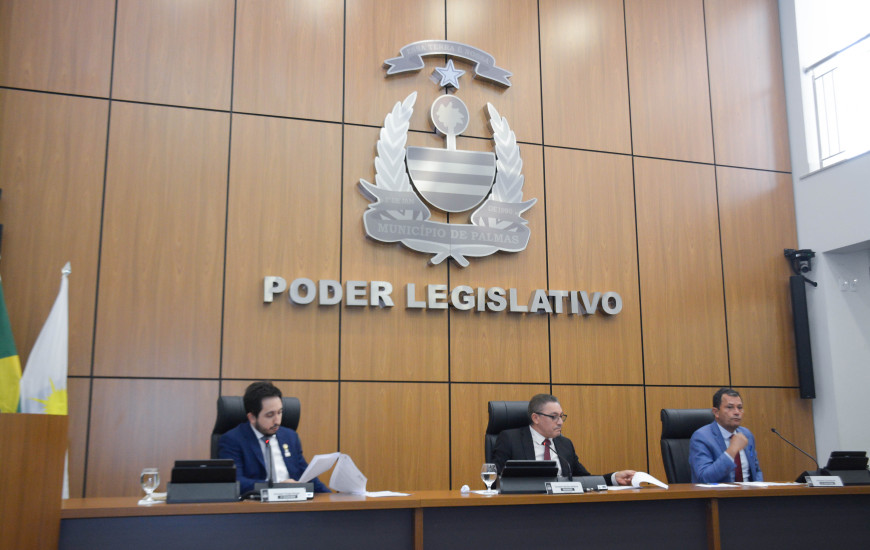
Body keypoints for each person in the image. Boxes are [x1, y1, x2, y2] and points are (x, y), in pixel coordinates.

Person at [491, 394, 636, 486]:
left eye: (561, 416)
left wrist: (614, 478)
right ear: (535, 418)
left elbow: (584, 479)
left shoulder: (565, 444)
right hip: (525, 506)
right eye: (554, 417)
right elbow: (494, 479)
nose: (560, 422)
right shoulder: (510, 439)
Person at [218, 381, 329, 493]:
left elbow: (307, 476)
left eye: (280, 412)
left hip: (294, 501)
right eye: (270, 415)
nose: (277, 421)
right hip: (258, 502)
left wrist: (332, 498)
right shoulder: (233, 440)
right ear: (252, 417)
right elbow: (236, 482)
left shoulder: (290, 437)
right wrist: (277, 487)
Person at [689, 387, 763, 483]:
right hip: (720, 492)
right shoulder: (701, 437)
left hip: (750, 491)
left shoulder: (747, 434)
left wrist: (760, 488)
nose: (737, 412)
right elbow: (704, 478)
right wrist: (732, 450)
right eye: (730, 407)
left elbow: (756, 470)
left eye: (740, 407)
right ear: (716, 412)